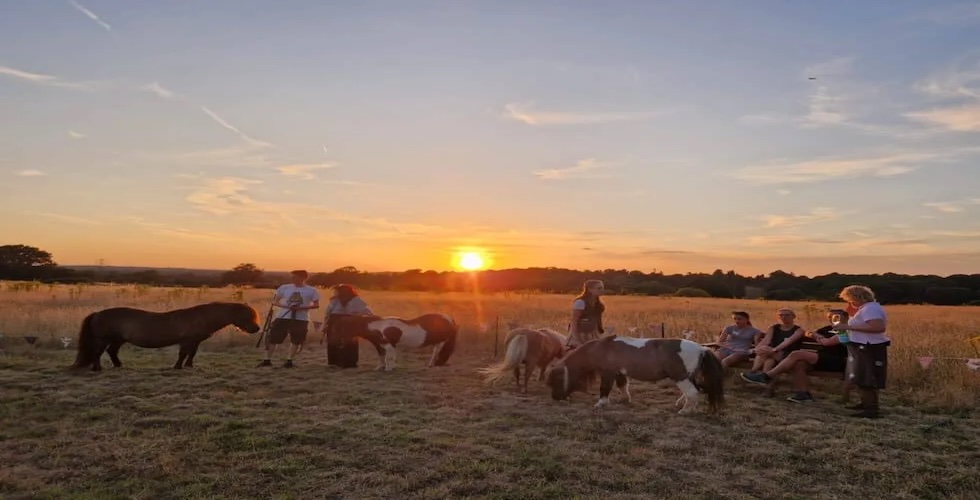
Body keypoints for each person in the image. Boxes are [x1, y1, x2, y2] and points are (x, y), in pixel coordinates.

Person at [741, 310, 849, 403]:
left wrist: (819, 338)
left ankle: (766, 376)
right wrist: (816, 335)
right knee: (799, 364)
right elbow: (809, 333)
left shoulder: (847, 330)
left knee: (796, 354)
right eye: (830, 317)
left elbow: (827, 342)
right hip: (822, 359)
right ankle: (803, 394)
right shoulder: (827, 328)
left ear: (846, 318)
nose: (833, 319)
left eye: (837, 317)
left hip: (838, 361)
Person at [839, 285, 890, 419]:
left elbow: (878, 327)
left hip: (869, 347)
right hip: (862, 346)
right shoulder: (866, 308)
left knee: (867, 378)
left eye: (850, 300)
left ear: (857, 297)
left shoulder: (871, 309)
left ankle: (871, 409)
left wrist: (848, 326)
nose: (850, 303)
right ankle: (866, 403)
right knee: (861, 377)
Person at [258, 270, 320, 368]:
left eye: (294, 277)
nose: (292, 279)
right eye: (292, 277)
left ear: (303, 278)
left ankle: (289, 361)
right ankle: (267, 360)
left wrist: (300, 308)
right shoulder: (284, 288)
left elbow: (316, 305)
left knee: (296, 340)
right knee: (272, 337)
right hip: (283, 316)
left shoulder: (312, 290)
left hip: (301, 319)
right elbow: (275, 301)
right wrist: (286, 307)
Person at [321, 284, 374, 369]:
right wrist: (325, 324)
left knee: (350, 343)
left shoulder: (356, 300)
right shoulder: (334, 300)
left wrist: (356, 316)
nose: (335, 293)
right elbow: (328, 313)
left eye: (337, 291)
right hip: (334, 321)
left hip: (350, 322)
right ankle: (334, 362)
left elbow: (367, 311)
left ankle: (349, 363)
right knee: (333, 342)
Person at [743, 308, 806, 375]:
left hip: (788, 355)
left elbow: (788, 342)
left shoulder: (798, 330)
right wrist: (757, 349)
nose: (784, 317)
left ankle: (752, 373)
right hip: (771, 353)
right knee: (769, 361)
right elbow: (766, 340)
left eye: (787, 315)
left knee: (766, 351)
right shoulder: (774, 328)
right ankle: (760, 377)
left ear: (793, 317)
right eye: (781, 315)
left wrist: (774, 350)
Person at [566, 279, 606, 350]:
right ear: (590, 290)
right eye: (599, 288)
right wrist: (578, 340)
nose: (602, 290)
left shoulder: (598, 304)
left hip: (593, 333)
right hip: (581, 334)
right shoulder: (580, 302)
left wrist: (600, 333)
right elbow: (574, 322)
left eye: (602, 288)